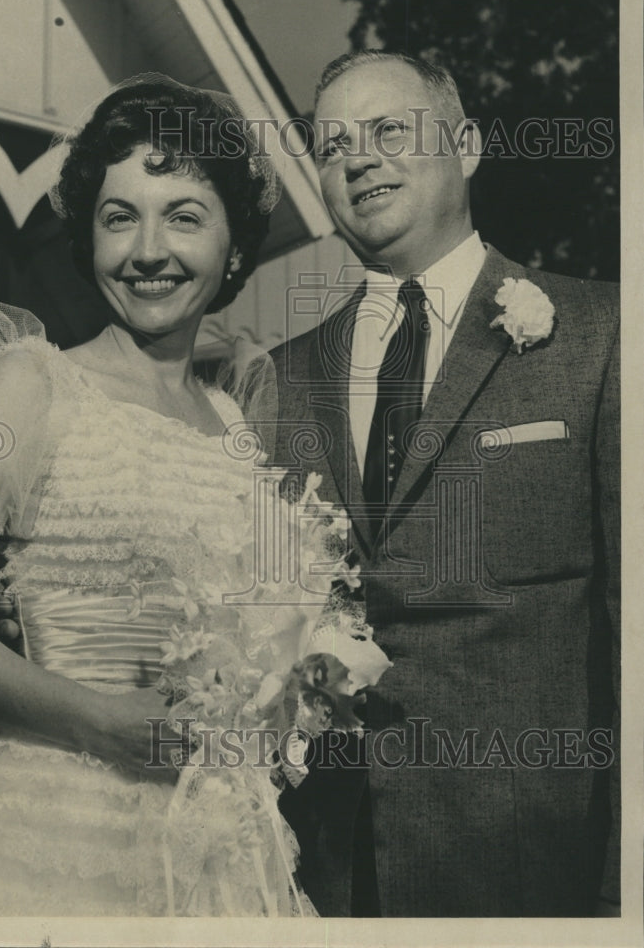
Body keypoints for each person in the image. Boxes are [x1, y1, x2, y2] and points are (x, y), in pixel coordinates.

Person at [0, 74, 321, 917]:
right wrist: (94, 717)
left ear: (235, 248)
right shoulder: (34, 383)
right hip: (52, 825)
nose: (147, 251)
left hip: (221, 842)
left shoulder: (236, 417)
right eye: (118, 216)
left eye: (184, 217)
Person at [268, 51, 620, 917]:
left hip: (534, 863)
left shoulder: (603, 333)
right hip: (327, 868)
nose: (358, 159)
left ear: (465, 144)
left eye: (389, 129)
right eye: (331, 145)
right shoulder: (280, 377)